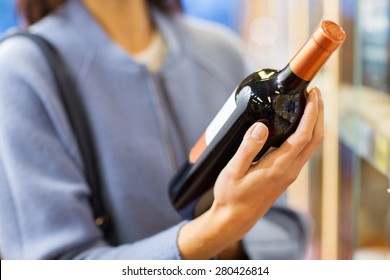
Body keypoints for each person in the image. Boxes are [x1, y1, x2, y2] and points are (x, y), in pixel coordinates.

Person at [0, 0, 323, 259]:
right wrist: (219, 228)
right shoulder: (22, 71)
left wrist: (230, 235)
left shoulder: (222, 51)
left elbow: (285, 232)